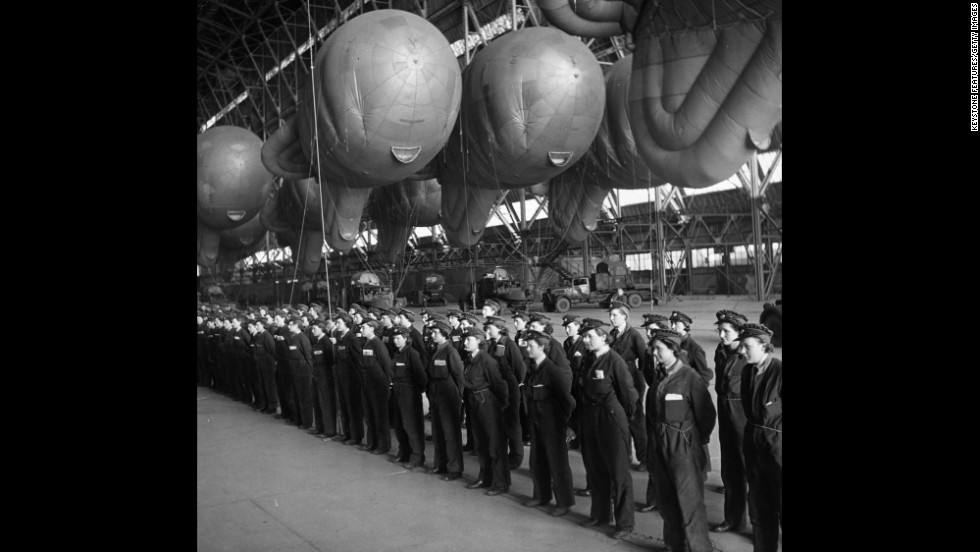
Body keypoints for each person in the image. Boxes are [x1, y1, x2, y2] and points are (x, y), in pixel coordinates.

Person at [646, 328, 717, 552]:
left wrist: (692, 442)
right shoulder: (659, 376)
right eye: (652, 348)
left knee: (690, 502)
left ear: (673, 350)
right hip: (660, 445)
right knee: (666, 501)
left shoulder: (689, 377)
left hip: (683, 447)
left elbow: (707, 415)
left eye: (658, 349)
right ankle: (674, 545)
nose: (653, 353)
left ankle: (699, 548)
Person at [577, 319, 638, 540]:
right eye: (583, 337)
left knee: (618, 471)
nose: (585, 340)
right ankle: (600, 514)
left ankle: (625, 523)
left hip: (611, 417)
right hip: (591, 416)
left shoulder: (615, 361)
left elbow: (630, 396)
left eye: (589, 336)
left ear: (604, 337)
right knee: (595, 468)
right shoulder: (587, 359)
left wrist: (622, 419)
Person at [522, 330, 577, 517]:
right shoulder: (532, 369)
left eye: (531, 346)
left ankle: (564, 502)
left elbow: (567, 401)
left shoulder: (553, 371)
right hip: (536, 423)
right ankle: (541, 495)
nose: (527, 348)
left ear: (542, 347)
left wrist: (566, 424)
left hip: (552, 425)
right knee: (537, 461)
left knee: (558, 463)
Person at [738, 323, 782, 552]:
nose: (741, 352)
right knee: (759, 507)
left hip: (778, 449)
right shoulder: (747, 371)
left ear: (764, 346)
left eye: (747, 346)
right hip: (754, 445)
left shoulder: (780, 372)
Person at [712, 310, 750, 533]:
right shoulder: (721, 351)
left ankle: (760, 525)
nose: (721, 335)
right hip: (725, 413)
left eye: (726, 331)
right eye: (720, 330)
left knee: (752, 472)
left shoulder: (747, 356)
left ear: (739, 332)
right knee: (730, 470)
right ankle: (733, 519)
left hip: (743, 417)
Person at [460, 326, 510, 496]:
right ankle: (485, 477)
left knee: (494, 443)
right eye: (464, 339)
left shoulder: (487, 361)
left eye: (469, 339)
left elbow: (499, 385)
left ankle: (501, 482)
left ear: (479, 341)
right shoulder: (469, 358)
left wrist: (499, 406)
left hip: (487, 403)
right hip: (474, 401)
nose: (464, 342)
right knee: (480, 442)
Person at [607, 302, 649, 472]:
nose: (611, 319)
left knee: (636, 419)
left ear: (624, 316)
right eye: (610, 315)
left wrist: (638, 380)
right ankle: (625, 455)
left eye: (614, 315)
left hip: (632, 381)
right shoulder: (611, 334)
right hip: (615, 381)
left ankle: (645, 458)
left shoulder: (634, 335)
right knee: (620, 419)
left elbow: (644, 360)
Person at [484, 316, 527, 470]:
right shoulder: (490, 344)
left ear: (499, 328)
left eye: (490, 328)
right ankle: (501, 454)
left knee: (512, 422)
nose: (487, 330)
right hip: (494, 387)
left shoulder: (509, 344)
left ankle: (516, 457)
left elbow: (520, 369)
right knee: (498, 423)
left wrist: (514, 385)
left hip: (509, 387)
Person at [426, 321, 465, 481]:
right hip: (436, 393)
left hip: (448, 395)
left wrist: (459, 397)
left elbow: (459, 376)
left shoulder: (450, 351)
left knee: (450, 433)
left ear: (444, 334)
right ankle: (440, 465)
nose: (432, 335)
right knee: (438, 431)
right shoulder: (435, 350)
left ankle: (454, 469)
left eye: (435, 332)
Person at [390, 325, 428, 471]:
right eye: (394, 338)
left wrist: (419, 391)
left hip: (409, 393)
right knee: (400, 425)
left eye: (398, 338)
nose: (395, 341)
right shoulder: (397, 354)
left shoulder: (412, 354)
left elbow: (421, 376)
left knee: (412, 426)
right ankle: (403, 452)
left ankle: (417, 457)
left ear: (406, 339)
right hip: (398, 391)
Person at [356, 319, 393, 455]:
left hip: (378, 386)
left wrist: (388, 384)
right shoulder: (367, 344)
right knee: (369, 415)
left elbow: (387, 365)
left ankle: (383, 446)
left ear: (372, 328)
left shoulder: (378, 344)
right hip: (367, 384)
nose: (361, 329)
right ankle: (372, 443)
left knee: (380, 416)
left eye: (364, 327)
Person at [331, 313, 364, 446]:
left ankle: (356, 436)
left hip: (351, 379)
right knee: (344, 406)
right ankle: (347, 433)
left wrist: (357, 378)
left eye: (339, 323)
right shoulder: (340, 337)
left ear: (346, 324)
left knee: (352, 408)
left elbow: (358, 360)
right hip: (341, 377)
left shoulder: (351, 339)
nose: (336, 325)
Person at [285, 316, 315, 430]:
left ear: (297, 325)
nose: (289, 326)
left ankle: (306, 422)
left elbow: (308, 356)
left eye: (291, 324)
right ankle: (299, 419)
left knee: (305, 397)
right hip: (295, 370)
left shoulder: (303, 338)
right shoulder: (293, 337)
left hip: (304, 371)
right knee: (296, 395)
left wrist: (311, 371)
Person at [310, 319, 338, 438]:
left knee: (326, 403)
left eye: (315, 328)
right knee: (317, 402)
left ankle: (329, 430)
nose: (312, 331)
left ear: (322, 328)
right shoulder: (317, 342)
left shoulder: (326, 342)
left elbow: (330, 361)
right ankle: (320, 427)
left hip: (325, 378)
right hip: (317, 376)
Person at [250, 318, 278, 414]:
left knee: (269, 386)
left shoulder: (267, 336)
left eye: (257, 325)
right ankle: (265, 405)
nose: (256, 327)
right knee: (262, 385)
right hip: (260, 366)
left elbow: (273, 351)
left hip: (267, 366)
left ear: (263, 325)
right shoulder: (259, 335)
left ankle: (272, 406)